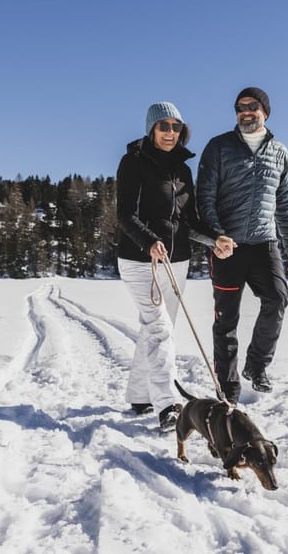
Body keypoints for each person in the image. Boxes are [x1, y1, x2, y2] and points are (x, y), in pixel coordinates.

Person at [116, 101, 233, 430]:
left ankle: (139, 394)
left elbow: (189, 221)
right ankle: (167, 405)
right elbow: (125, 214)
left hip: (176, 262)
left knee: (156, 329)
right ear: (151, 129)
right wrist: (148, 241)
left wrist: (215, 240)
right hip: (141, 262)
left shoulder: (182, 170)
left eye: (176, 127)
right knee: (160, 329)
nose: (170, 132)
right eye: (163, 126)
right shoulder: (132, 163)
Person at [196, 87, 288, 404]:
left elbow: (286, 204)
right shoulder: (218, 147)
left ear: (265, 111)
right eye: (240, 107)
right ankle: (228, 388)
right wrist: (216, 236)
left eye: (252, 106)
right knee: (226, 320)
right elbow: (205, 198)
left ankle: (256, 366)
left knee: (277, 298)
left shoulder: (279, 152)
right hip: (227, 248)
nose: (246, 111)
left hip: (265, 244)